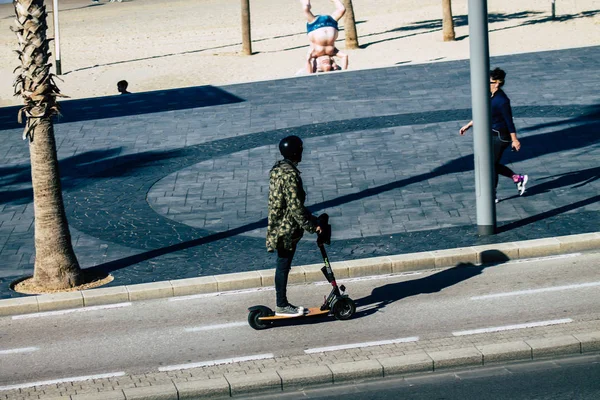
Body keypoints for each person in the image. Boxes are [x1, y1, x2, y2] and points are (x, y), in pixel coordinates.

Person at [266, 135, 322, 317]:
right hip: (286, 228)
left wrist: (312, 219)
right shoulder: (290, 176)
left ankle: (281, 303)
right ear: (296, 152)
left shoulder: (277, 170)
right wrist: (313, 227)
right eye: (301, 149)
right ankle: (281, 305)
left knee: (283, 264)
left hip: (277, 224)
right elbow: (296, 207)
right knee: (283, 265)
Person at [459, 68, 528, 203]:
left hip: (502, 137)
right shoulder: (488, 95)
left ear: (497, 83)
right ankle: (516, 178)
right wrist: (468, 125)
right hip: (491, 134)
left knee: (490, 164)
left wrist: (515, 140)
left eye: (489, 82)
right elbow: (483, 113)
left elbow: (509, 121)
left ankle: (493, 194)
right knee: (491, 164)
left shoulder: (502, 101)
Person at [301, 0, 349, 73]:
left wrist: (308, 61)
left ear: (318, 64)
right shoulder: (333, 52)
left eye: (323, 63)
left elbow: (308, 69)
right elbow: (345, 56)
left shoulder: (314, 53)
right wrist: (343, 72)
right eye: (328, 63)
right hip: (331, 22)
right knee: (342, 9)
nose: (326, 61)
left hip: (314, 24)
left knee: (305, 8)